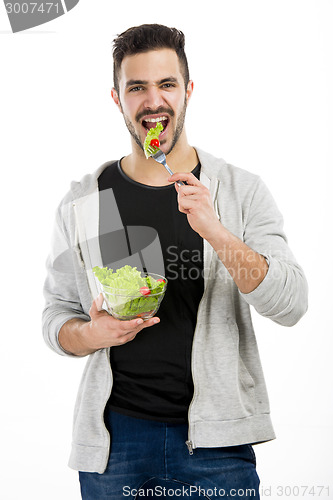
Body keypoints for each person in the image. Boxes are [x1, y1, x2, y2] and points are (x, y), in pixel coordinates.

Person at [42, 24, 308, 499]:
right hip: (114, 445)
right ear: (116, 98)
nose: (153, 100)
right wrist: (90, 333)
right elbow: (57, 316)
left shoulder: (239, 190)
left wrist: (215, 230)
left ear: (187, 91)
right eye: (136, 87)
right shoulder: (88, 200)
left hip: (218, 446)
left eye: (166, 84)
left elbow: (290, 304)